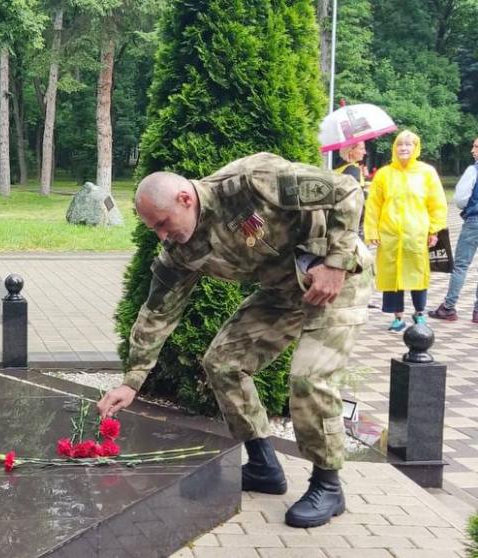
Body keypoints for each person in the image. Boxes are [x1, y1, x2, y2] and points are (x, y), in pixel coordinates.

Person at [96, 153, 373, 529]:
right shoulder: (179, 252)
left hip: (334, 281)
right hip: (282, 293)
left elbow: (346, 191)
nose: (162, 235)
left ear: (184, 199)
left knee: (309, 378)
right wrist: (132, 381)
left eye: (163, 224)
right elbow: (157, 312)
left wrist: (337, 263)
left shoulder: (251, 182)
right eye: (154, 230)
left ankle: (328, 484)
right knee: (223, 363)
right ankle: (263, 466)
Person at [363, 130, 447, 332]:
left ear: (415, 148)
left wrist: (434, 230)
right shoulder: (384, 174)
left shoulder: (427, 172)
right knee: (393, 275)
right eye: (400, 144)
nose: (404, 148)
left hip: (417, 235)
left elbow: (437, 203)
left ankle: (419, 314)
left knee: (418, 274)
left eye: (408, 144)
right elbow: (374, 205)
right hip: (390, 234)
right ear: (394, 147)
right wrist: (372, 231)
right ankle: (397, 317)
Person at [429, 137, 478, 323]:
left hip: (474, 220)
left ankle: (448, 308)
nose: (473, 150)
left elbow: (460, 199)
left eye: (476, 147)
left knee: (461, 265)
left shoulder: (473, 170)